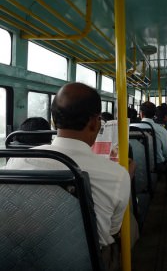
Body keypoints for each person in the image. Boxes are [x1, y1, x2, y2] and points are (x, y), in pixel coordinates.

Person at [5, 82, 131, 271]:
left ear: (54, 121)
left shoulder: (17, 161)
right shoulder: (116, 174)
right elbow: (112, 230)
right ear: (94, 122)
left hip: (22, 259)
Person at [139, 101, 167, 167]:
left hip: (137, 165)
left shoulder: (131, 128)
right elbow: (166, 153)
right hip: (157, 167)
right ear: (154, 114)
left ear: (141, 114)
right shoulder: (162, 130)